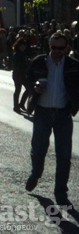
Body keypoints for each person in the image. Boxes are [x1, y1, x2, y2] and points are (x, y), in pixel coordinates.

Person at [24, 33, 79, 206]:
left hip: (63, 114)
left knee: (64, 155)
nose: (56, 51)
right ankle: (36, 174)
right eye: (53, 47)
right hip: (42, 112)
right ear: (49, 46)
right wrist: (34, 88)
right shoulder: (39, 62)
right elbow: (26, 79)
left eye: (60, 48)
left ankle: (60, 192)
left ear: (66, 48)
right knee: (38, 149)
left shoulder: (73, 66)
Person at [11, 37, 30, 113]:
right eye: (22, 45)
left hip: (24, 74)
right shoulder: (16, 54)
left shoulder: (24, 54)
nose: (23, 47)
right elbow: (17, 65)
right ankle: (16, 106)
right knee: (18, 90)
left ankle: (21, 103)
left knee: (29, 89)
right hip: (18, 74)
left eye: (24, 45)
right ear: (18, 46)